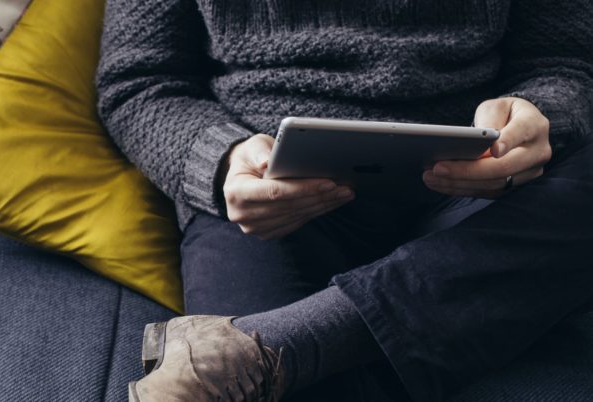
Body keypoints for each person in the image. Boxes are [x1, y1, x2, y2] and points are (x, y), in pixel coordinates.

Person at [96, 0, 593, 401]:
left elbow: (562, 63)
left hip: (476, 188)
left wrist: (540, 114)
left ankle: (269, 348)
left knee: (234, 385)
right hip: (273, 197)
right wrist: (222, 160)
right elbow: (137, 84)